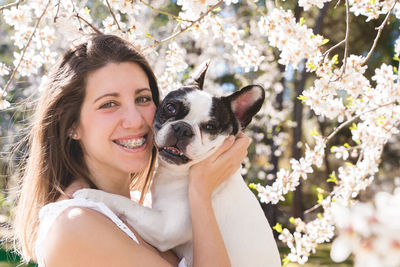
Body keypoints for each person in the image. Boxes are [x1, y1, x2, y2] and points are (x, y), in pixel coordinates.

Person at [12, 34, 250, 267]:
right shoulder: (76, 224)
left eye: (143, 99)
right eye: (109, 104)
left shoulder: (144, 207)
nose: (135, 120)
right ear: (71, 124)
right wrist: (200, 192)